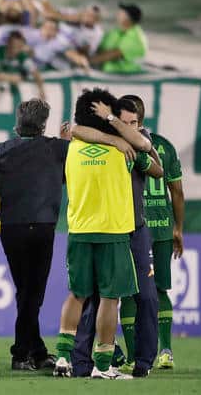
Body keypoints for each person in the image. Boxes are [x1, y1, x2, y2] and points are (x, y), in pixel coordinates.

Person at [0, 99, 71, 371]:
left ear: (19, 120)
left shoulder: (4, 150)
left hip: (12, 228)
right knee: (32, 292)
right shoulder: (58, 148)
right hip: (42, 227)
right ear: (43, 124)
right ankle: (21, 353)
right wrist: (65, 142)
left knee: (26, 292)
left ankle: (36, 351)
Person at [70, 96, 163, 378]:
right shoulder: (106, 141)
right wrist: (114, 135)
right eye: (124, 122)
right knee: (94, 298)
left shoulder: (138, 143)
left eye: (133, 123)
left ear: (141, 124)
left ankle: (143, 361)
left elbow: (158, 170)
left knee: (146, 297)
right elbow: (75, 130)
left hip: (135, 229)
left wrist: (120, 131)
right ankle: (84, 363)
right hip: (109, 229)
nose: (128, 128)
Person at [52, 88, 139, 380]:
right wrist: (114, 124)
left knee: (77, 294)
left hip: (79, 230)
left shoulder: (71, 149)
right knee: (109, 299)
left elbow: (77, 130)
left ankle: (62, 357)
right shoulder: (123, 149)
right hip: (112, 231)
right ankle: (102, 366)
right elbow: (141, 142)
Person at [119, 95, 184, 369]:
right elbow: (177, 191)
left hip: (133, 226)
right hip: (162, 227)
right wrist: (178, 228)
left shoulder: (122, 146)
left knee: (130, 292)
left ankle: (134, 356)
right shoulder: (165, 146)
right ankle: (165, 350)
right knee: (160, 289)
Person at [91, 3, 147, 74]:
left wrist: (88, 61)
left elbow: (113, 54)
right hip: (107, 69)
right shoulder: (117, 31)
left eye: (121, 13)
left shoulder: (136, 36)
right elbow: (99, 46)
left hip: (127, 73)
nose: (117, 14)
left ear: (128, 18)